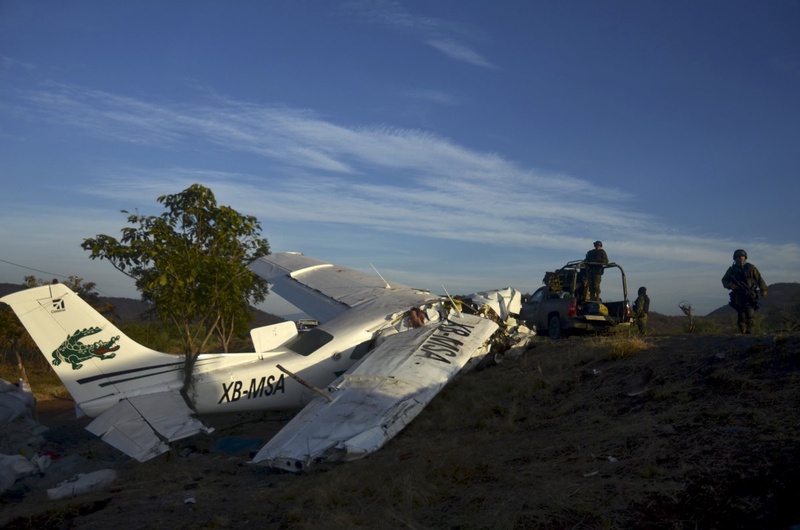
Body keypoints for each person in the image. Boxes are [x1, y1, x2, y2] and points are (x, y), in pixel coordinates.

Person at [721, 249, 767, 334]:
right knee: (741, 314)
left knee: (750, 313)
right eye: (738, 258)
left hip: (750, 293)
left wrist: (763, 289)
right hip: (738, 295)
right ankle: (743, 332)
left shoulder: (751, 268)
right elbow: (724, 280)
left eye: (742, 257)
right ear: (735, 259)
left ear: (745, 258)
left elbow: (759, 279)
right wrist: (730, 285)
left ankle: (749, 331)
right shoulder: (732, 270)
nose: (741, 259)